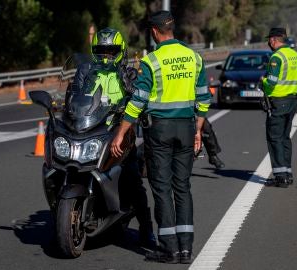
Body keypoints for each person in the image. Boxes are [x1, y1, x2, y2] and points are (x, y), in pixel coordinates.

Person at [110, 10, 211, 264]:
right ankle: (186, 249)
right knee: (183, 187)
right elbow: (204, 98)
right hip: (187, 128)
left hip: (160, 131)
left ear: (154, 32)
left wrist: (120, 133)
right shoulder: (194, 57)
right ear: (171, 28)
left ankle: (169, 249)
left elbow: (137, 102)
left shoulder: (152, 61)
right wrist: (198, 129)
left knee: (162, 188)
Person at [64, 27, 155, 247]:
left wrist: (129, 89)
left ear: (120, 50)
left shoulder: (128, 72)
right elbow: (74, 95)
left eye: (111, 51)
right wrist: (65, 105)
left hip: (119, 131)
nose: (106, 56)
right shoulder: (86, 70)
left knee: (132, 178)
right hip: (90, 128)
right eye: (101, 51)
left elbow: (138, 99)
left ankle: (146, 229)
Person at [262, 27, 297, 187]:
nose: (269, 42)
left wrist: (262, 83)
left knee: (274, 138)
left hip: (278, 102)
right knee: (285, 138)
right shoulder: (295, 55)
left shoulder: (276, 57)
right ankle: (287, 173)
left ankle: (280, 177)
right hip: (291, 101)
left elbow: (272, 81)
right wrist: (293, 86)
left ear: (274, 40)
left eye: (270, 39)